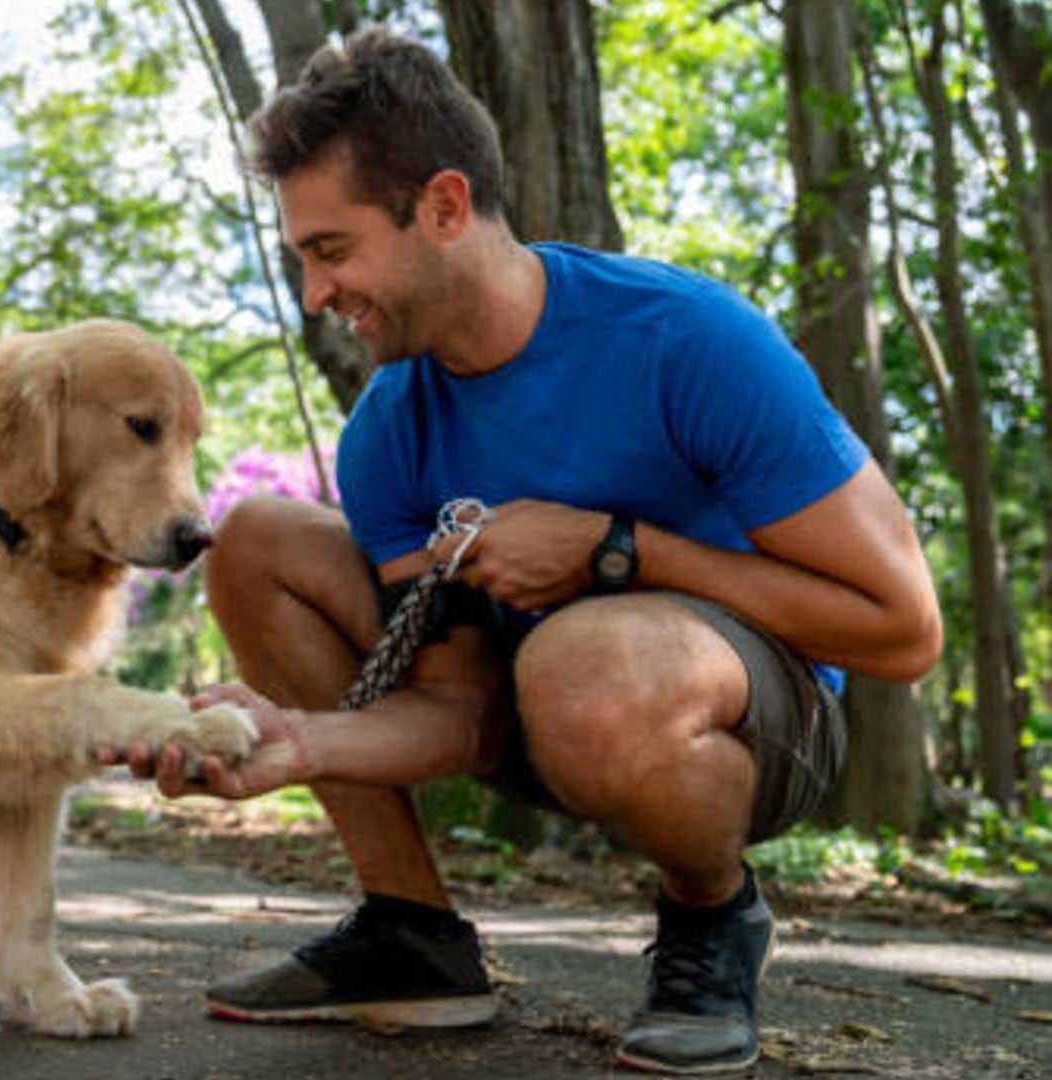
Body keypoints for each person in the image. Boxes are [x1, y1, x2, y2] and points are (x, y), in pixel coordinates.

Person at [104, 27, 942, 1076]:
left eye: (331, 250)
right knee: (257, 541)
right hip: (538, 705)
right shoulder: (389, 428)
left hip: (752, 721)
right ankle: (413, 935)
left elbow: (903, 630)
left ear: (445, 208)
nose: (317, 294)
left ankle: (711, 919)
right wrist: (301, 743)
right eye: (303, 260)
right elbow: (463, 713)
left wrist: (621, 552)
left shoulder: (687, 340)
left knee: (587, 661)